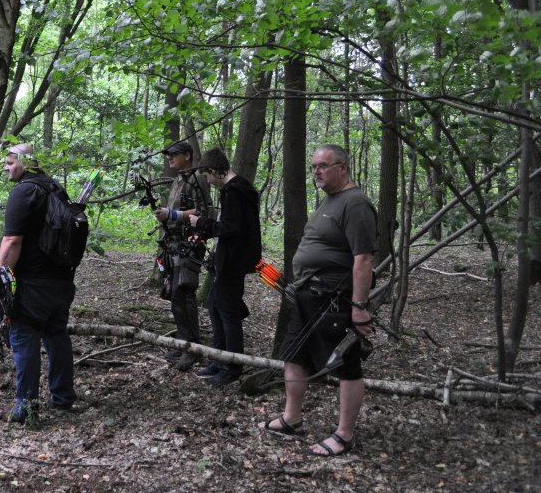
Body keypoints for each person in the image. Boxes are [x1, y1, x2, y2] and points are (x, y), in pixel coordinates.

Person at [259, 143, 376, 457]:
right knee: (294, 356)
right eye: (314, 167)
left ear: (343, 167)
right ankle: (291, 418)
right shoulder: (331, 201)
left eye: (323, 166)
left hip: (334, 300)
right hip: (306, 296)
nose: (317, 172)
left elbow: (363, 259)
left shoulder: (356, 203)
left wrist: (360, 307)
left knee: (346, 366)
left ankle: (344, 434)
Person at [0, 143, 78, 424]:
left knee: (24, 336)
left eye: (9, 162)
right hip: (62, 280)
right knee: (56, 334)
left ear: (23, 162)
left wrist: (1, 282)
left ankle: (27, 407)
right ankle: (63, 398)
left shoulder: (24, 192)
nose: (6, 167)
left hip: (32, 282)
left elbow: (12, 240)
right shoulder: (56, 189)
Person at [188, 148, 261, 386]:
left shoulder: (235, 191)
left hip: (233, 262)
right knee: (214, 305)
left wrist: (202, 223)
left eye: (207, 176)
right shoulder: (235, 190)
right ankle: (220, 358)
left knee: (227, 312)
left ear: (214, 171)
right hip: (228, 259)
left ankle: (232, 365)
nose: (208, 181)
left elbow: (231, 228)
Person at [152, 141, 211, 371]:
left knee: (184, 293)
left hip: (189, 245)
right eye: (168, 155)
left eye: (174, 155)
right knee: (175, 296)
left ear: (187, 155)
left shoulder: (197, 179)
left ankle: (192, 347)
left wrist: (172, 214)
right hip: (173, 245)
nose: (169, 158)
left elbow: (205, 212)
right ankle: (182, 342)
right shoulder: (179, 179)